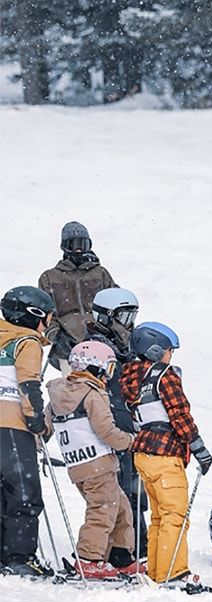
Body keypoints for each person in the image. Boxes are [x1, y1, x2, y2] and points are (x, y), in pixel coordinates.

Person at [121, 322, 212, 585]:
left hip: (143, 454)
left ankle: (157, 571)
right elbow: (179, 413)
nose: (171, 355)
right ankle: (173, 572)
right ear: (154, 349)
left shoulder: (132, 377)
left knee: (159, 517)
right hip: (165, 452)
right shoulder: (164, 375)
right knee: (175, 515)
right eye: (169, 350)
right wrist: (199, 448)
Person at [45, 340, 138, 579]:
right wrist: (130, 441)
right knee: (102, 510)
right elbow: (106, 431)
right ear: (95, 367)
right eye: (108, 369)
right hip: (98, 462)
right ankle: (88, 558)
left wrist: (36, 438)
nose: (108, 376)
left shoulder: (59, 395)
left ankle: (120, 556)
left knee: (120, 507)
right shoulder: (92, 394)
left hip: (78, 466)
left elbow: (46, 426)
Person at [86, 287, 147, 555]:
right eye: (124, 317)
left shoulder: (127, 348)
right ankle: (119, 547)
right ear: (105, 317)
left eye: (132, 316)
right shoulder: (94, 350)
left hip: (128, 427)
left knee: (134, 488)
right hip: (109, 428)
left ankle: (138, 542)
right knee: (117, 490)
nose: (129, 324)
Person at [0, 285, 55, 578]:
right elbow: (29, 383)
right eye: (47, 317)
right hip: (13, 427)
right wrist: (37, 421)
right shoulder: (27, 342)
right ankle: (19, 558)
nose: (47, 324)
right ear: (33, 315)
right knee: (24, 494)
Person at [38, 221, 119, 375]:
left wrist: (112, 332)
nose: (79, 249)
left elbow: (116, 305)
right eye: (73, 244)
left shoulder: (100, 273)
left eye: (83, 244)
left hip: (101, 343)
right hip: (68, 347)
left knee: (104, 385)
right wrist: (56, 335)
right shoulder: (50, 277)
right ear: (64, 247)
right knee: (75, 386)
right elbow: (45, 313)